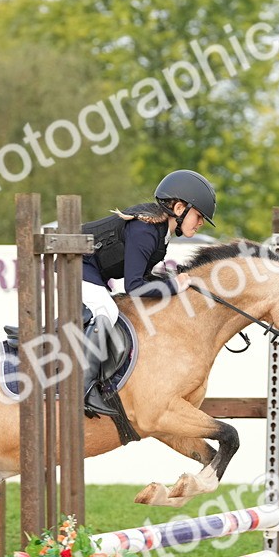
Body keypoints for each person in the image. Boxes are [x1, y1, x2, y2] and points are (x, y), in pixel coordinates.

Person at [79, 169, 217, 416]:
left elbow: (144, 279)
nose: (200, 223)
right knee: (106, 310)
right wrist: (174, 286)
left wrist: (176, 285)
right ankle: (84, 389)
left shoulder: (159, 232)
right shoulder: (145, 230)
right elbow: (133, 287)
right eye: (198, 216)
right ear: (178, 208)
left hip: (95, 272)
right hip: (75, 265)